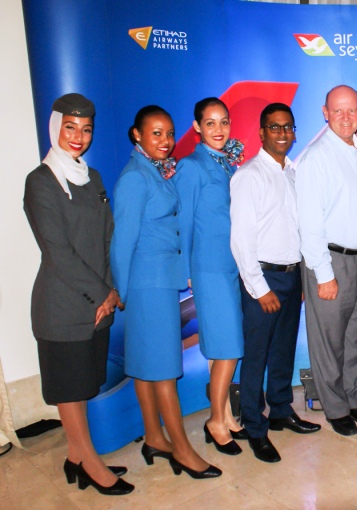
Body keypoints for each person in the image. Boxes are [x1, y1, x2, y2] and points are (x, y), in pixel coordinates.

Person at [23, 93, 133, 496]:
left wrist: (112, 289)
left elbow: (108, 239)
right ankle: (90, 463)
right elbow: (57, 253)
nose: (78, 136)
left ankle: (75, 457)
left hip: (98, 301)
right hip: (63, 305)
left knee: (83, 385)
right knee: (70, 389)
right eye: (70, 127)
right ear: (56, 128)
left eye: (86, 129)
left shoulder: (94, 178)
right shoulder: (40, 181)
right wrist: (102, 292)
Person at [111, 105, 221, 480]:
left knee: (146, 365)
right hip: (146, 286)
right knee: (164, 369)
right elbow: (121, 241)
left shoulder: (156, 173)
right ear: (136, 135)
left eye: (170, 133)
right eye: (155, 133)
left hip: (159, 281)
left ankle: (155, 438)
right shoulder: (134, 179)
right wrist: (122, 293)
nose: (166, 141)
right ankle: (182, 451)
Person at [231, 103, 320, 463]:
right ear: (261, 132)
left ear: (293, 132)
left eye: (288, 127)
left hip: (290, 273)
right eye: (274, 127)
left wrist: (297, 277)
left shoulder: (294, 173)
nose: (282, 134)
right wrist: (259, 287)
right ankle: (254, 425)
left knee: (283, 350)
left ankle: (281, 410)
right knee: (256, 356)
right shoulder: (249, 176)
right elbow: (241, 239)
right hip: (263, 279)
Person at [294, 85, 357, 436]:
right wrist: (323, 274)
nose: (345, 117)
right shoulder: (316, 158)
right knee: (328, 340)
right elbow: (309, 223)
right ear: (325, 113)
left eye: (351, 110)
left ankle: (352, 398)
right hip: (331, 261)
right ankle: (334, 407)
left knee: (356, 337)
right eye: (337, 110)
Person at [173, 97, 246, 456]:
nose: (219, 130)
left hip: (231, 266)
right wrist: (185, 272)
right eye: (211, 123)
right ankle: (215, 421)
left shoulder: (228, 165)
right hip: (207, 268)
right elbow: (182, 222)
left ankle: (226, 414)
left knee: (221, 348)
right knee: (228, 345)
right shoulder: (190, 167)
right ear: (197, 127)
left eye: (224, 122)